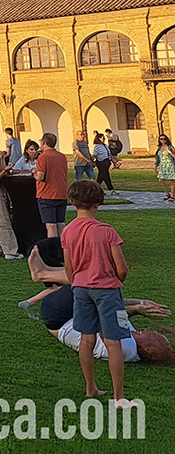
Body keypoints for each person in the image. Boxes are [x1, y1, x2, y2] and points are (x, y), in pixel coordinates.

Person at [61, 179, 135, 406]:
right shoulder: (107, 232)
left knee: (87, 338)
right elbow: (122, 268)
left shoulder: (67, 231)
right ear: (98, 204)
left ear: (72, 202)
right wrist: (115, 281)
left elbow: (68, 267)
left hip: (81, 289)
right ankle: (118, 397)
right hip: (108, 291)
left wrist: (77, 283)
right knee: (114, 343)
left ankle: (90, 387)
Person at [41, 285, 173, 365]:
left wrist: (137, 306)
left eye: (155, 337)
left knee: (87, 282)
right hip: (73, 313)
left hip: (61, 318)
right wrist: (142, 305)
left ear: (150, 351)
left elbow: (105, 317)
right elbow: (117, 311)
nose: (150, 331)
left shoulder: (126, 349)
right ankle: (50, 276)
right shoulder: (133, 340)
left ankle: (44, 273)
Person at [35, 132, 70, 237]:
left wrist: (34, 174)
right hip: (61, 193)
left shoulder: (43, 157)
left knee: (51, 225)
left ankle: (53, 249)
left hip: (47, 194)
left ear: (43, 142)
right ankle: (64, 249)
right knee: (61, 223)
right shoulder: (62, 156)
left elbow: (40, 177)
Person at [157, 134, 175, 202]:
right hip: (163, 166)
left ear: (167, 139)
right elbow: (158, 157)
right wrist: (156, 165)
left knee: (172, 181)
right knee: (160, 180)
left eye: (164, 139)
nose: (163, 140)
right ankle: (167, 194)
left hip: (170, 165)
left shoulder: (170, 147)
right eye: (161, 139)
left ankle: (172, 196)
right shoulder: (159, 148)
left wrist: (170, 152)